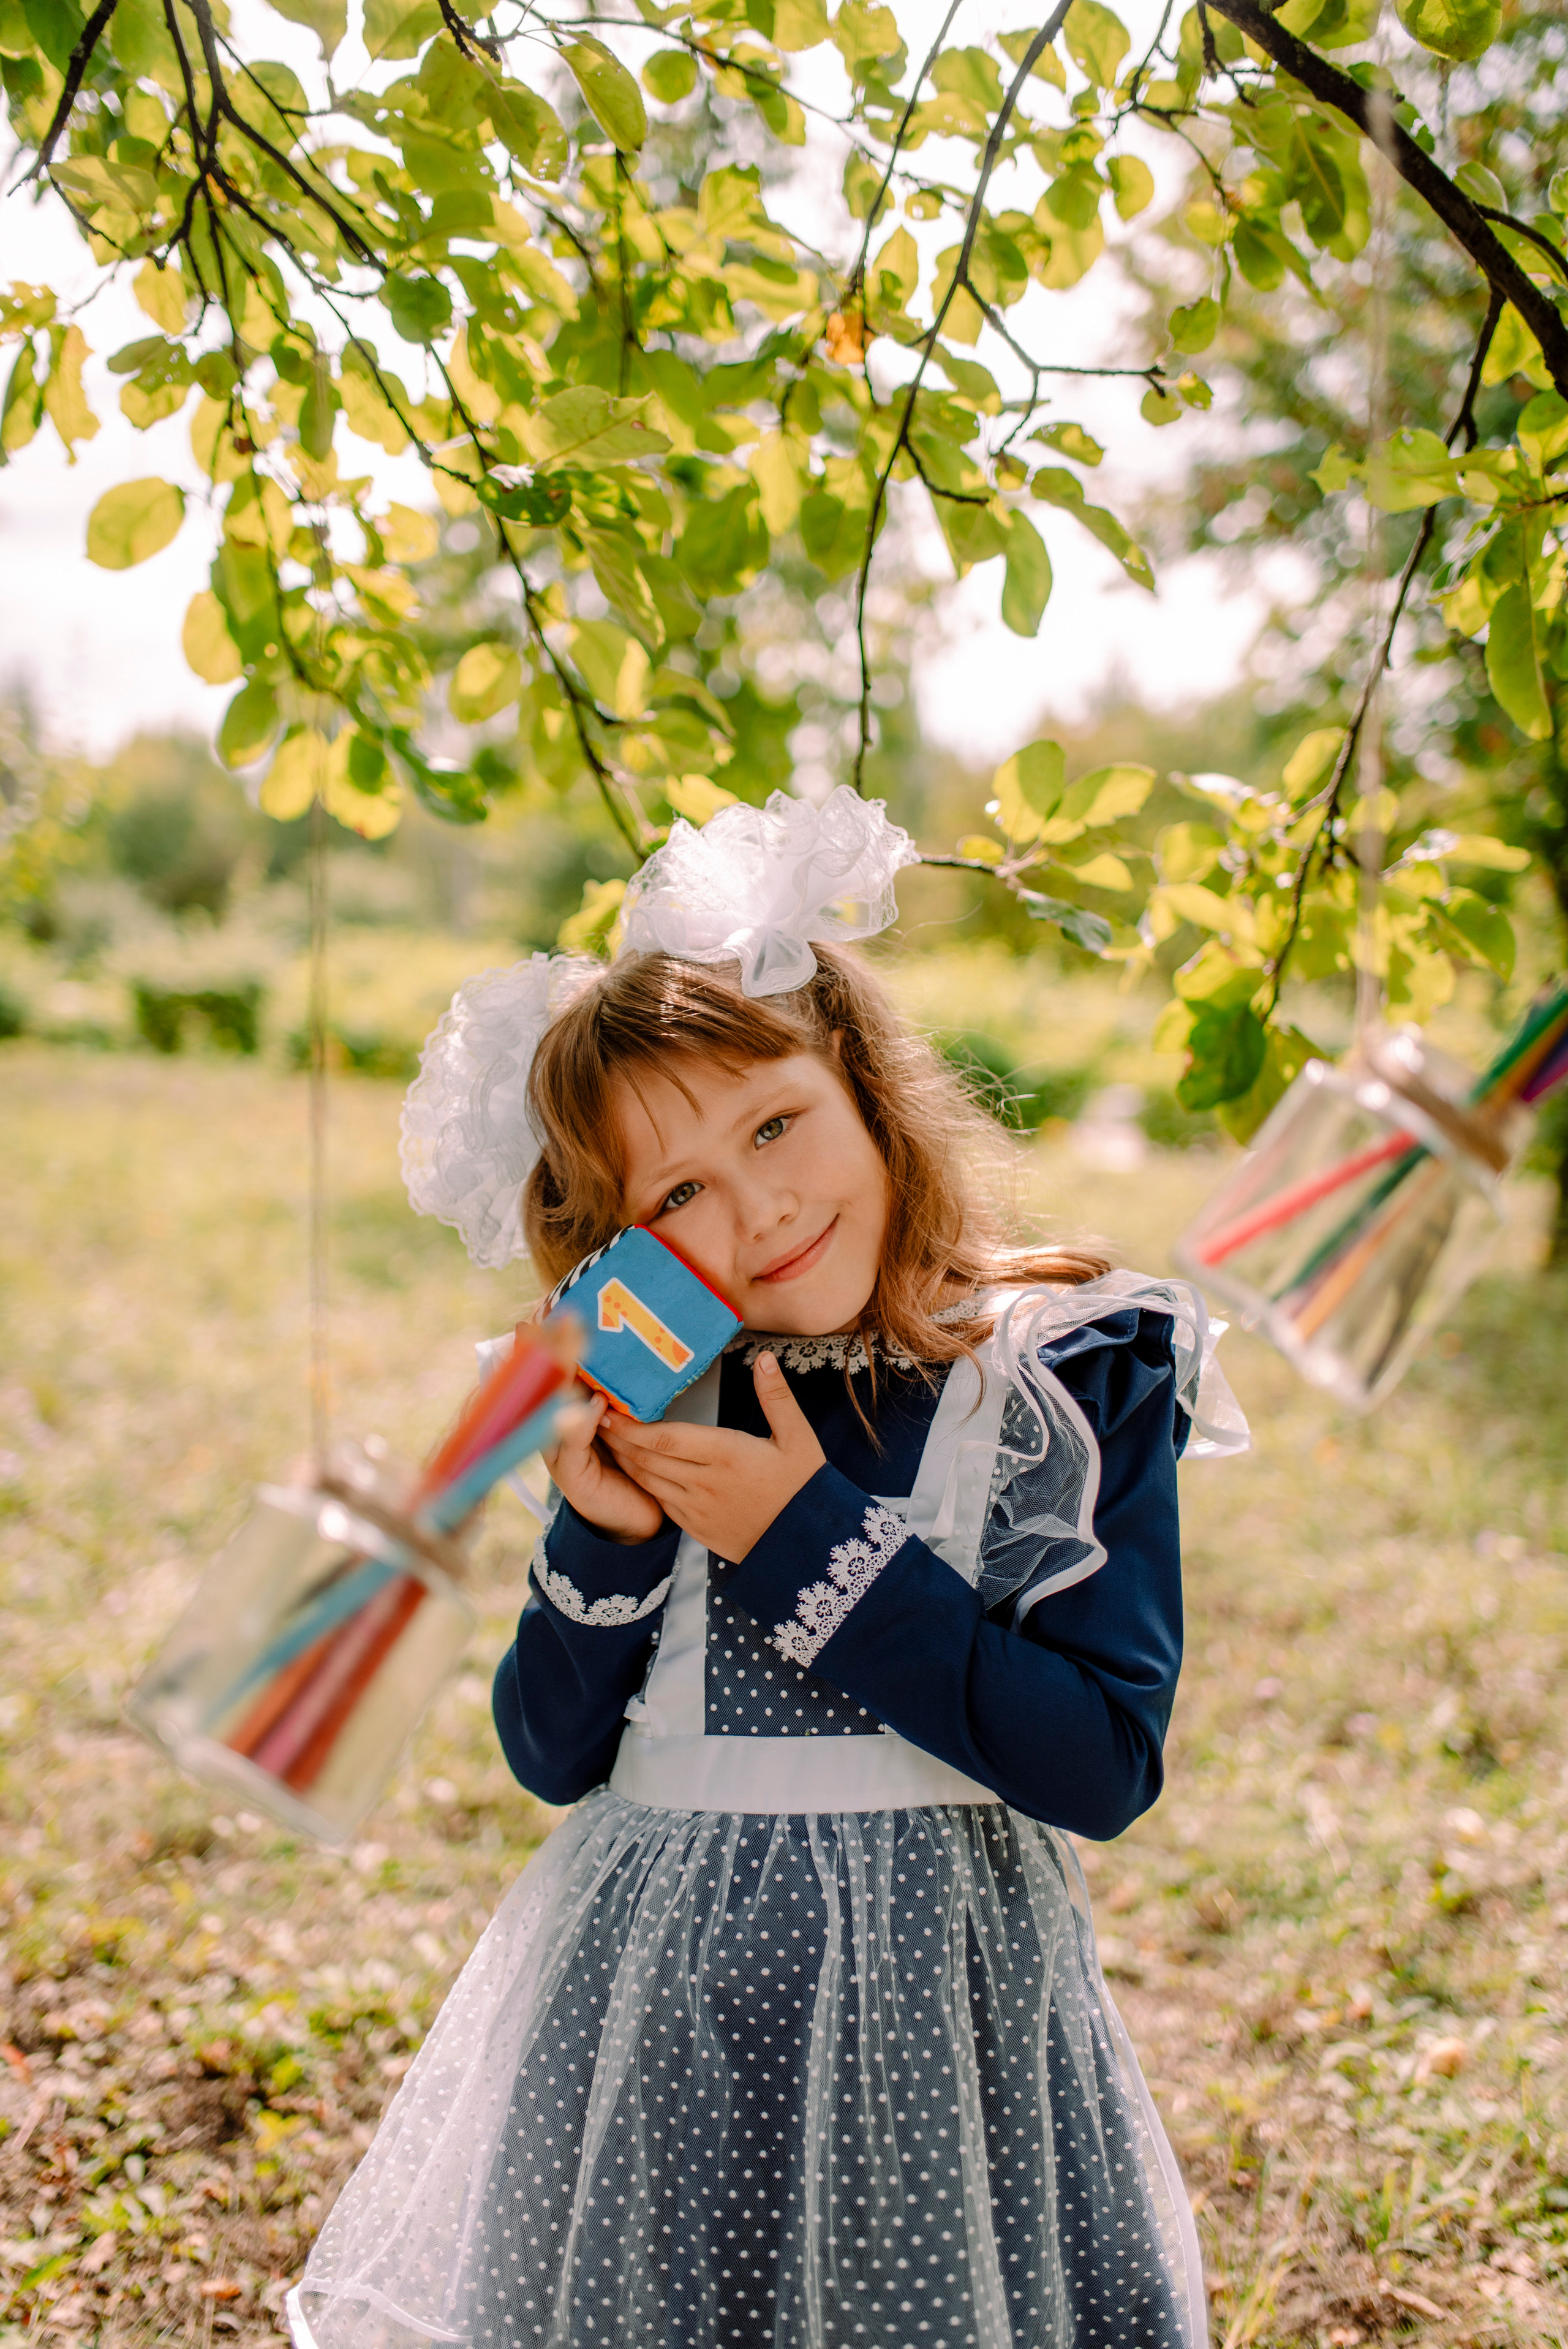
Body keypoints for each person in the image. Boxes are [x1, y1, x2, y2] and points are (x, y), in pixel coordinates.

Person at [288, 787, 1248, 2349]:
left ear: (862, 1087)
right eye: (676, 1196)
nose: (762, 1210)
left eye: (776, 1125)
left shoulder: (1059, 1372)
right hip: (653, 2040)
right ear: (619, 1241)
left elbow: (1102, 1759)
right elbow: (550, 1757)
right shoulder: (660, 1387)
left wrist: (807, 1544)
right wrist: (600, 1537)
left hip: (933, 2051)